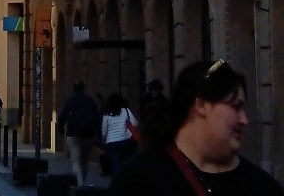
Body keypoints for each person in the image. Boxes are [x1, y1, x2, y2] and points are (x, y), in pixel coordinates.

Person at [108, 59, 284, 195]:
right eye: (235, 106)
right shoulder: (137, 181)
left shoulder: (261, 187)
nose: (244, 120)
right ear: (202, 105)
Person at [57, 80, 100, 188]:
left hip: (73, 135)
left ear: (74, 88)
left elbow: (62, 117)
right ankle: (82, 184)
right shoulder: (90, 101)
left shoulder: (70, 101)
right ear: (83, 88)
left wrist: (61, 129)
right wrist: (98, 135)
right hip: (88, 136)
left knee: (75, 161)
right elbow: (97, 119)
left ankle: (80, 185)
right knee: (85, 161)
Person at [100, 92, 138, 174]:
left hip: (111, 142)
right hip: (125, 140)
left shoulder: (106, 114)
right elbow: (135, 123)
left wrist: (103, 141)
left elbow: (104, 130)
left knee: (116, 164)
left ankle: (119, 180)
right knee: (126, 162)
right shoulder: (125, 111)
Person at [139, 78, 171, 149]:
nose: (155, 92)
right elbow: (142, 112)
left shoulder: (163, 100)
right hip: (148, 128)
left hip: (159, 129)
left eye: (157, 90)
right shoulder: (146, 99)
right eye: (154, 90)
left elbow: (168, 113)